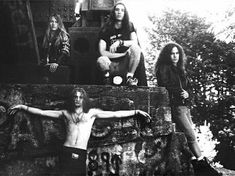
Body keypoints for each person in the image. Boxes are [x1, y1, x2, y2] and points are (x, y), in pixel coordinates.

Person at [8, 87, 151, 176]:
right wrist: (22, 107)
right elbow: (42, 112)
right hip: (66, 151)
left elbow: (115, 114)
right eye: (75, 97)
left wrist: (136, 111)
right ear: (72, 99)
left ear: (84, 99)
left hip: (81, 153)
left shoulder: (92, 114)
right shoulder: (65, 114)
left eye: (80, 97)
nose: (77, 99)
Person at [155, 42, 222, 176]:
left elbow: (189, 88)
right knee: (190, 135)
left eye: (177, 53)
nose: (175, 56)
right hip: (175, 107)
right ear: (167, 55)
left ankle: (197, 166)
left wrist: (187, 93)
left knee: (189, 137)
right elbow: (164, 85)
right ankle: (203, 166)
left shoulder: (180, 69)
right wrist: (181, 92)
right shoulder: (164, 68)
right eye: (172, 53)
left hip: (184, 107)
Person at [97, 1, 145, 86]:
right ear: (113, 12)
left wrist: (120, 42)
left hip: (126, 63)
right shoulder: (106, 28)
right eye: (117, 10)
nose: (119, 12)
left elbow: (134, 42)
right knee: (101, 60)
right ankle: (107, 79)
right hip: (111, 63)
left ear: (125, 13)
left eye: (122, 10)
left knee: (136, 49)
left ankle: (129, 77)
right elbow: (102, 52)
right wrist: (122, 54)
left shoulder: (129, 26)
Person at [40, 14, 70, 82]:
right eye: (51, 21)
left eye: (56, 22)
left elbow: (65, 51)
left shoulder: (63, 34)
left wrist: (57, 63)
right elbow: (44, 51)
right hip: (47, 65)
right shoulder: (46, 35)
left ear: (59, 23)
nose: (53, 24)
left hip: (59, 65)